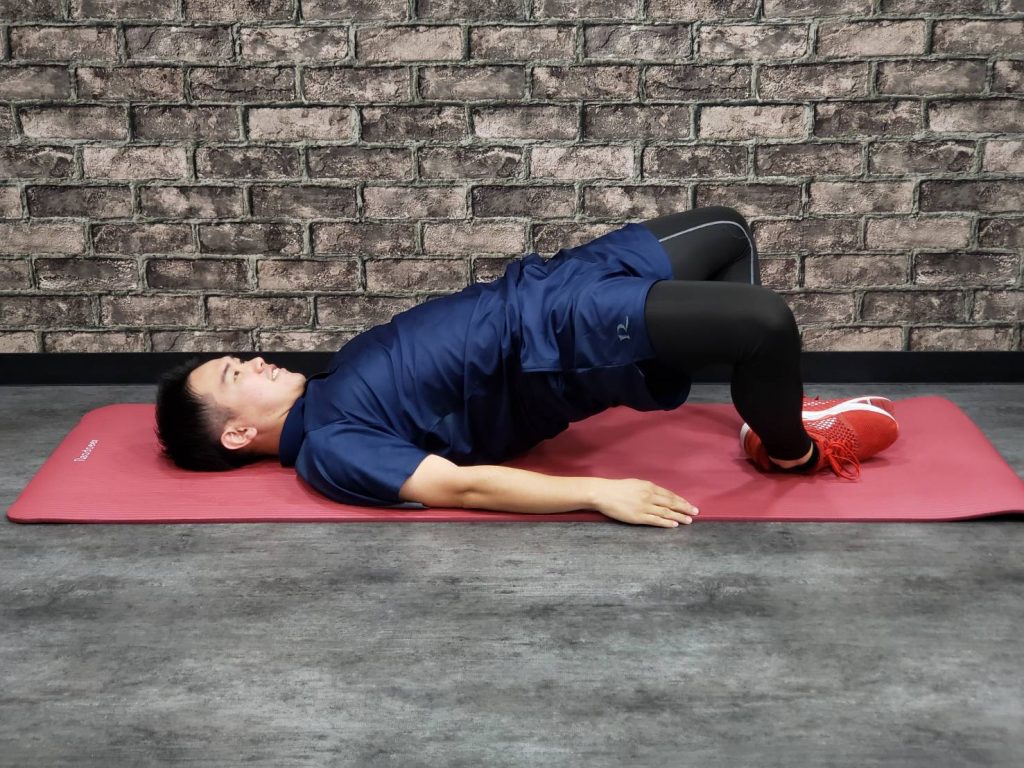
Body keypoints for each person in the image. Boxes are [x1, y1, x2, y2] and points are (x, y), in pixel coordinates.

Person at [155, 206, 898, 527]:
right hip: (558, 338)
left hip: (546, 287)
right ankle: (790, 450)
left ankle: (760, 404)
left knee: (728, 231)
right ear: (235, 433)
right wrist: (597, 493)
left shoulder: (328, 390)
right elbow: (459, 485)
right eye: (234, 375)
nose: (253, 360)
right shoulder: (330, 449)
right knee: (764, 321)